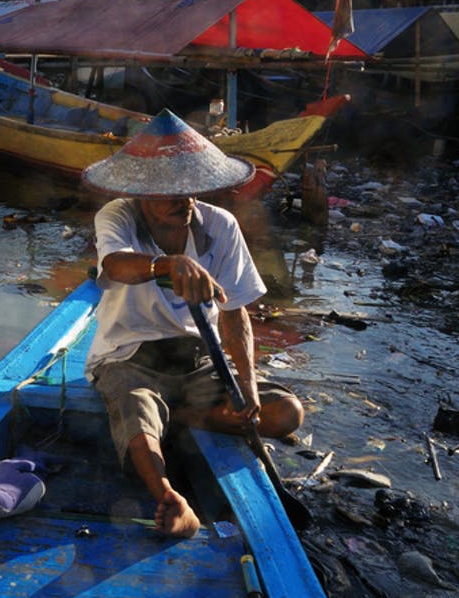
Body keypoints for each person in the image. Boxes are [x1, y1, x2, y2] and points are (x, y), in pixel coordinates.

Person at [81, 110, 304, 538]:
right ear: (141, 192)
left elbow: (236, 313)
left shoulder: (220, 226)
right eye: (169, 192)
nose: (183, 201)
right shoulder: (118, 216)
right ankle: (171, 498)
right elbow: (115, 266)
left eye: (191, 191)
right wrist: (167, 264)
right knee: (135, 412)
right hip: (130, 358)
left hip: (199, 361)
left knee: (285, 413)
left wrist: (247, 385)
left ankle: (183, 415)